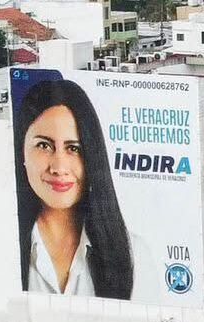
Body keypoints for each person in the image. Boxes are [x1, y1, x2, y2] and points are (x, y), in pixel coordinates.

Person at [14, 78, 142, 299]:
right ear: (22, 152)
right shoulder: (2, 241)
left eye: (74, 148)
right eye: (44, 145)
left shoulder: (135, 254)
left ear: (93, 157)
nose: (59, 167)